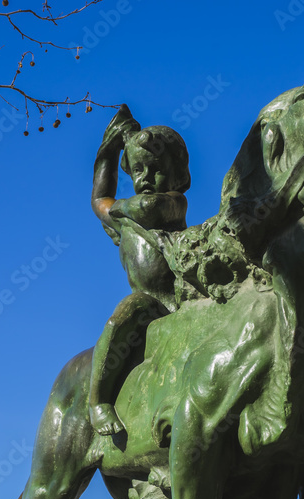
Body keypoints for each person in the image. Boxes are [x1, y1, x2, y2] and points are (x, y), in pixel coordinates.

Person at [88, 105, 191, 435]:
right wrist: (109, 149)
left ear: (177, 175)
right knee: (129, 310)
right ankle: (98, 400)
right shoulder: (125, 220)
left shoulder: (173, 201)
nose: (145, 178)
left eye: (155, 168)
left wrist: (117, 210)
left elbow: (148, 207)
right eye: (137, 171)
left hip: (181, 301)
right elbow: (99, 198)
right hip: (149, 303)